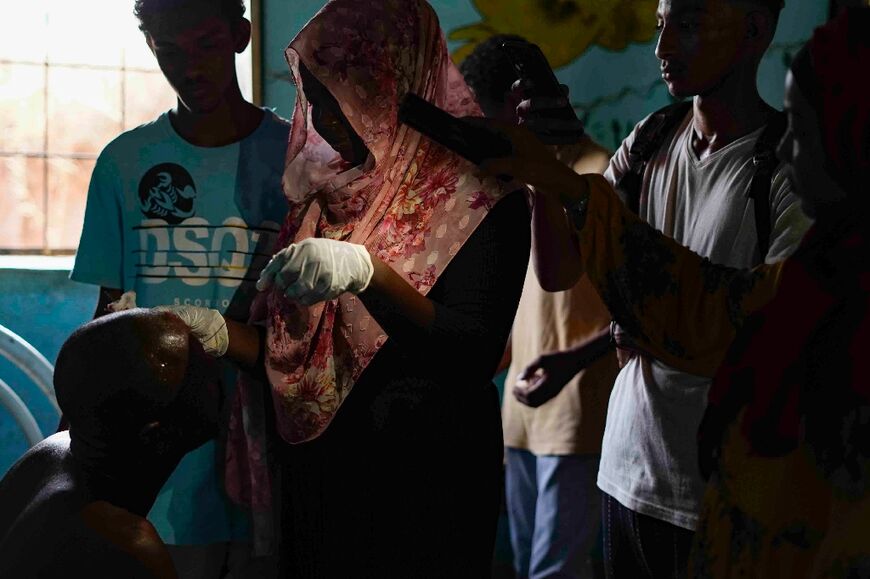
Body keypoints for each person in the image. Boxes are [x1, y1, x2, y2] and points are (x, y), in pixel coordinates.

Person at [166, 0, 531, 576]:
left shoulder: (484, 201)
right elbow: (298, 362)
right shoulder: (327, 200)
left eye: (341, 95)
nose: (326, 120)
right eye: (314, 97)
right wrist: (217, 334)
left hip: (426, 488)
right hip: (320, 489)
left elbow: (470, 354)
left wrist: (369, 274)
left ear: (393, 83)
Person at [506, 0, 812, 576]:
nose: (664, 48)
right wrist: (542, 170)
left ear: (755, 27)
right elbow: (560, 271)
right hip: (627, 471)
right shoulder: (651, 141)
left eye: (690, 25)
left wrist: (637, 312)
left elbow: (759, 327)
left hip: (721, 496)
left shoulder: (791, 167)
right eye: (660, 25)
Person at [68, 0, 289, 575]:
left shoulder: (296, 159)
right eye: (169, 50)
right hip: (159, 469)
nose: (189, 68)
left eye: (206, 45)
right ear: (150, 48)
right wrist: (80, 449)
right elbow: (106, 319)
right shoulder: (125, 161)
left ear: (241, 36)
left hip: (273, 457)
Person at [461, 34, 618, 579]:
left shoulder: (598, 175)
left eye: (481, 114)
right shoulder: (516, 188)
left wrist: (574, 362)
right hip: (520, 418)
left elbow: (641, 305)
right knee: (529, 568)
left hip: (577, 419)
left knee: (554, 574)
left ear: (518, 104)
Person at [0, 309, 222, 579]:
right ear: (154, 433)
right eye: (198, 360)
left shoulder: (51, 452)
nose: (216, 359)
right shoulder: (126, 545)